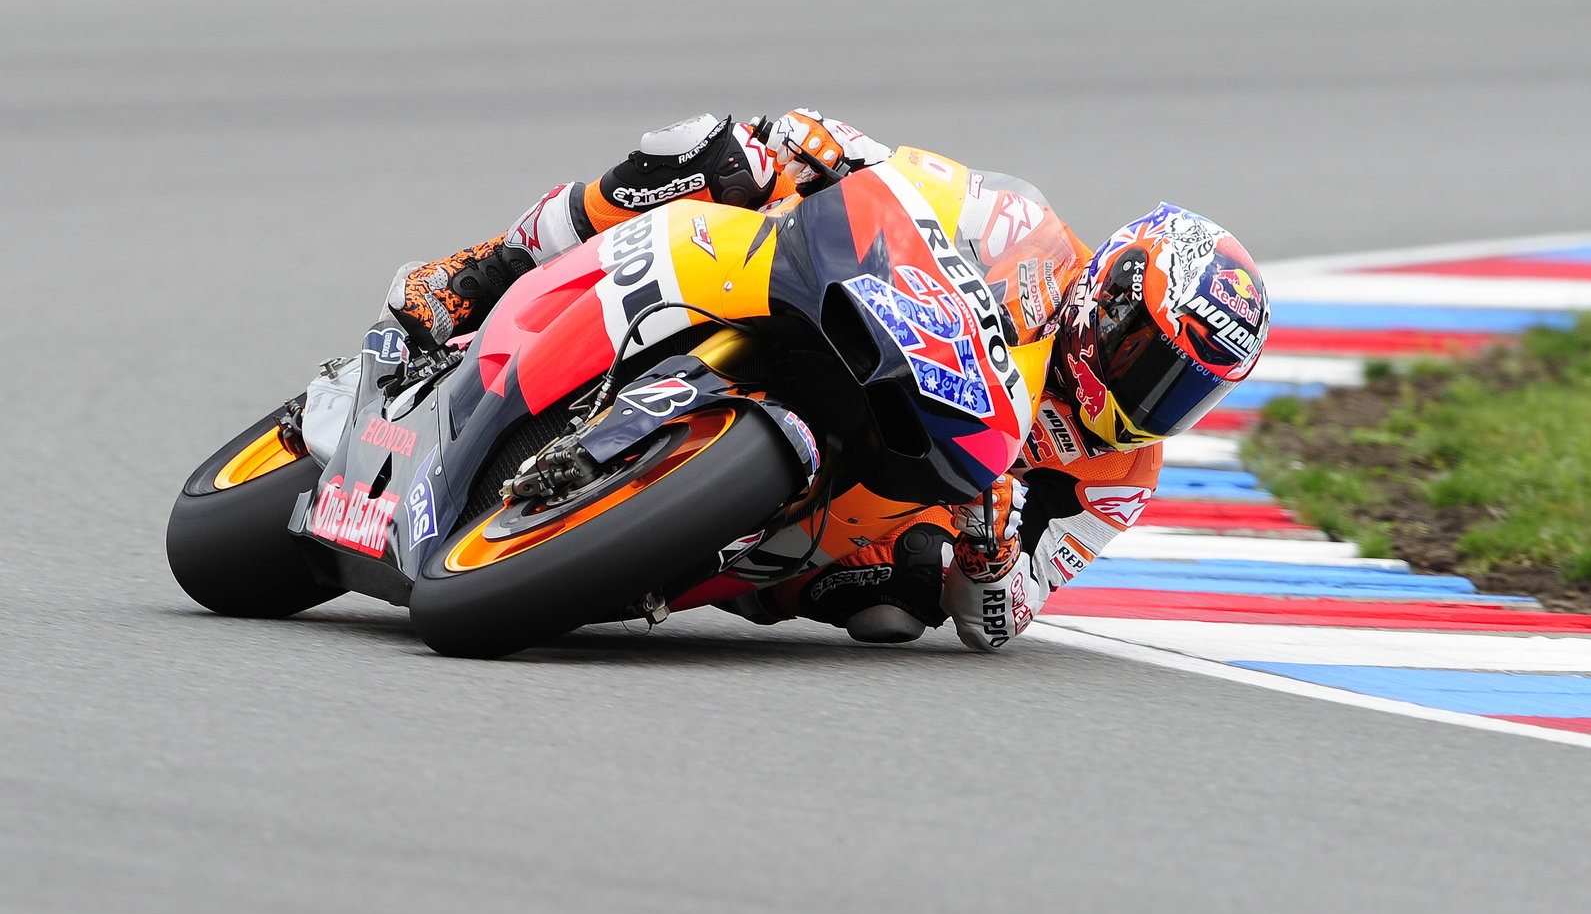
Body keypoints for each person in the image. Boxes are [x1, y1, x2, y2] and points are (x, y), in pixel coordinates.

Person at [381, 109, 1270, 652]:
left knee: (902, 601)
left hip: (884, 494)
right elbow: (917, 187)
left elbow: (1000, 623)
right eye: (1150, 361)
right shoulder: (1029, 233)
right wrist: (834, 146)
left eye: (1187, 389)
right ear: (1108, 298)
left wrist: (990, 555)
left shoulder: (1119, 479)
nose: (1154, 400)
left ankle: (681, 546)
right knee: (713, 151)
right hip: (841, 310)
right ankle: (480, 272)